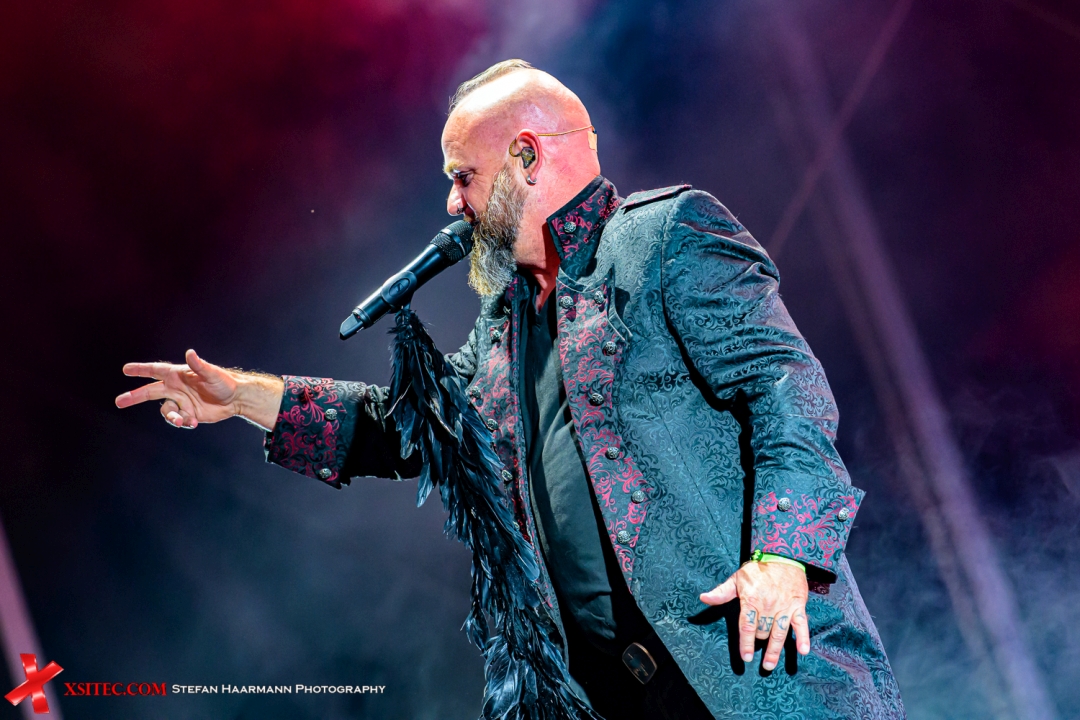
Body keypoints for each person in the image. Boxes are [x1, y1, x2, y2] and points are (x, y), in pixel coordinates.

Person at [116, 60, 904, 718]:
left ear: (527, 156)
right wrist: (241, 397)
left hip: (747, 670)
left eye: (463, 176)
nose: (452, 203)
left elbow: (783, 385)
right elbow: (406, 428)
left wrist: (784, 554)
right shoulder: (504, 327)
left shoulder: (662, 237)